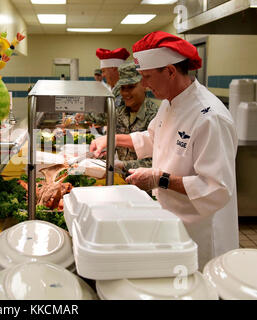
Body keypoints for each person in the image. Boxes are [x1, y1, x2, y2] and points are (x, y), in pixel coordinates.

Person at [90, 31, 238, 269]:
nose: (145, 85)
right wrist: (112, 140)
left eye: (147, 77)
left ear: (170, 71)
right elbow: (153, 139)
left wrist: (160, 179)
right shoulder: (170, 103)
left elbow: (217, 188)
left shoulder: (210, 117)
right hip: (172, 222)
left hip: (201, 233)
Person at [113, 61, 158, 176]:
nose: (125, 93)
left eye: (131, 87)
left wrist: (123, 165)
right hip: (122, 180)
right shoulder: (119, 112)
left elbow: (157, 160)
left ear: (144, 86)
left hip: (145, 186)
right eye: (123, 88)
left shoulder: (155, 116)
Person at [85, 48, 130, 126]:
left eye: (103, 71)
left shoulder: (123, 88)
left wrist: (86, 116)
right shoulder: (116, 88)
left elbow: (111, 115)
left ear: (113, 68)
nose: (103, 75)